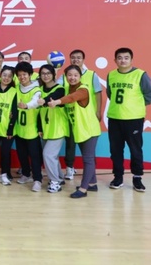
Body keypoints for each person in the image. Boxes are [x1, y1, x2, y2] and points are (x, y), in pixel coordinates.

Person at [49, 65, 101, 198]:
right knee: (88, 158)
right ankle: (92, 183)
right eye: (69, 75)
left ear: (80, 76)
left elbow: (72, 98)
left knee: (88, 159)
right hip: (80, 130)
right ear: (66, 77)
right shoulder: (67, 89)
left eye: (75, 75)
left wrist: (57, 102)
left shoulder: (83, 89)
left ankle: (83, 189)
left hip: (89, 129)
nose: (72, 78)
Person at [106, 47, 151, 192]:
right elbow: (110, 94)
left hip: (134, 119)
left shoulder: (140, 74)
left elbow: (149, 94)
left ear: (131, 60)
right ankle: (118, 177)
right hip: (114, 118)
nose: (123, 60)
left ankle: (137, 178)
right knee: (115, 150)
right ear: (115, 60)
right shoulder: (111, 75)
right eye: (119, 58)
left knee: (135, 150)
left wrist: (135, 105)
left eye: (126, 58)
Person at [60, 49, 103, 180]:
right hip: (71, 117)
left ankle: (90, 178)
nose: (76, 60)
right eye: (73, 57)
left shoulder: (91, 75)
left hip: (86, 118)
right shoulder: (64, 76)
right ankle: (70, 168)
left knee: (88, 152)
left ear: (83, 60)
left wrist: (98, 111)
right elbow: (55, 89)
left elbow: (98, 93)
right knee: (70, 143)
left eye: (78, 57)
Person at [36, 64, 68, 193]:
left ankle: (55, 182)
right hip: (46, 128)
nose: (46, 76)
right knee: (52, 156)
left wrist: (43, 100)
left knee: (48, 155)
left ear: (54, 74)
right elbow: (38, 112)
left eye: (48, 73)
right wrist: (39, 128)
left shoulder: (60, 89)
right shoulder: (39, 90)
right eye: (43, 73)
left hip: (58, 128)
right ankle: (59, 177)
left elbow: (54, 96)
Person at [14, 61, 43, 192]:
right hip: (19, 128)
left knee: (35, 156)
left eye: (24, 74)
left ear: (30, 74)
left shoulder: (36, 89)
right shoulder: (16, 88)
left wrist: (26, 106)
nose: (22, 77)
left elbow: (35, 102)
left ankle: (37, 179)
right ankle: (26, 174)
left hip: (32, 129)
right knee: (22, 154)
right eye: (19, 75)